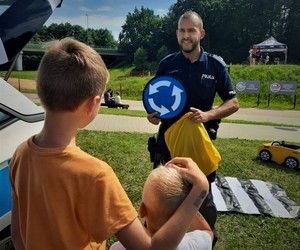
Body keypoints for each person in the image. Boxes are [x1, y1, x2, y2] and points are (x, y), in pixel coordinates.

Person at [9, 37, 209, 250]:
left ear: (40, 89)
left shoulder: (21, 154)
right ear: (93, 105)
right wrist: (199, 191)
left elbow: (18, 235)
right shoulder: (95, 175)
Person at [146, 11, 239, 246]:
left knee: (202, 195)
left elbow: (233, 103)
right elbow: (155, 99)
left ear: (201, 33)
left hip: (199, 144)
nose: (186, 36)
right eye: (182, 31)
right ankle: (158, 239)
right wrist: (153, 116)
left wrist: (208, 115)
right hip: (168, 143)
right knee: (164, 196)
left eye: (191, 30)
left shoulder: (215, 65)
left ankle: (206, 238)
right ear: (177, 33)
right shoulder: (167, 64)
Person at [110, 164, 213, 250]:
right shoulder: (196, 243)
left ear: (142, 210)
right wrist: (188, 204)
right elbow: (208, 232)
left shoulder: (119, 248)